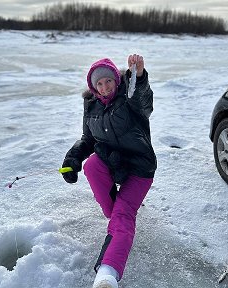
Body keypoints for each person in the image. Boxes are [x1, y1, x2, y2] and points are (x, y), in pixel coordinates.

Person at [61, 54, 157, 288]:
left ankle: (107, 273)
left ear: (117, 80)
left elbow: (144, 101)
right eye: (99, 84)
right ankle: (121, 217)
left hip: (139, 168)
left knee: (122, 215)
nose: (104, 88)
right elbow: (88, 139)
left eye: (108, 81)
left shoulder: (130, 98)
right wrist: (72, 159)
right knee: (92, 166)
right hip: (114, 164)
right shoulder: (91, 106)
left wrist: (140, 76)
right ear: (93, 87)